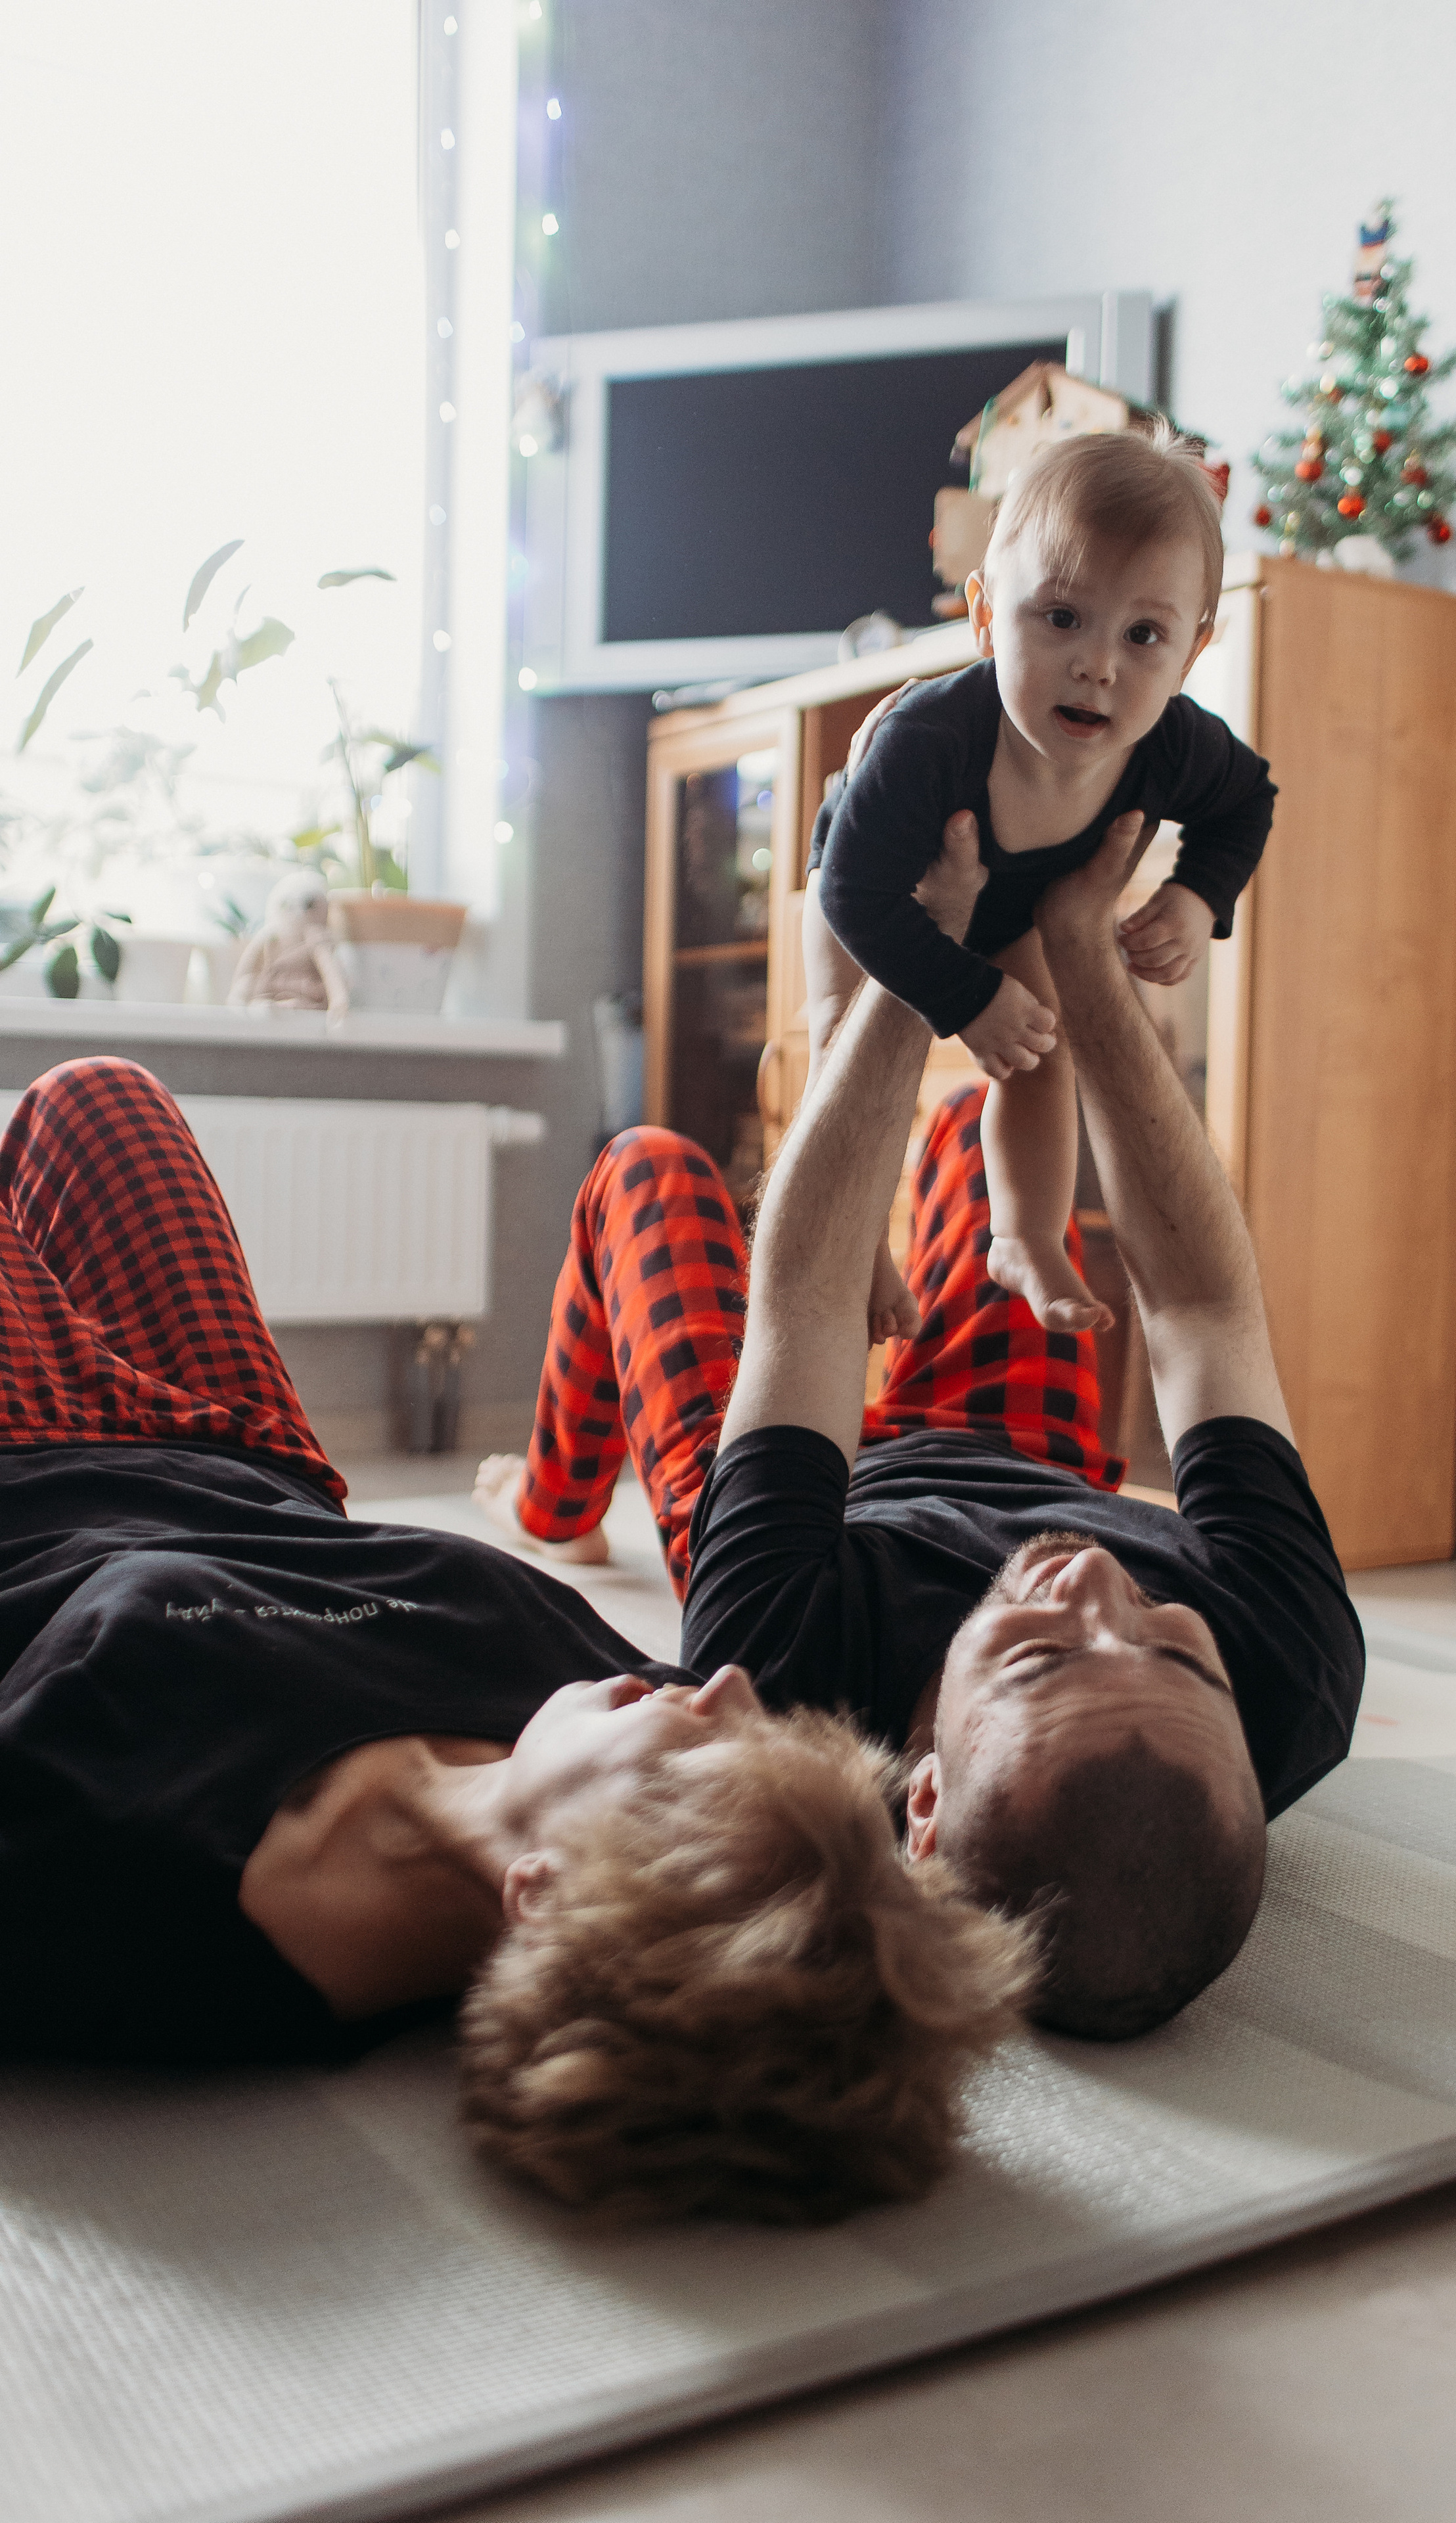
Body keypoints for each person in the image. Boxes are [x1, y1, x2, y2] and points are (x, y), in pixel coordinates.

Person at [0, 1056, 1034, 2225]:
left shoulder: (101, 1888)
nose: (727, 1684)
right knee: (98, 1101)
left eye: (711, 1752)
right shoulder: (599, 1718)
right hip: (248, 1458)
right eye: (771, 1727)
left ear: (545, 1898)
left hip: (23, 1469)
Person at [489, 802, 1364, 2039]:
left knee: (650, 1171)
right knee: (982, 1126)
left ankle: (547, 1497)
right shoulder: (1296, 1658)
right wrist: (1082, 953)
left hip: (833, 1500)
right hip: (1018, 1450)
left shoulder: (788, 1664)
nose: (1100, 1584)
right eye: (1176, 1649)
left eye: (1037, 1653)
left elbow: (799, 1302)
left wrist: (920, 951)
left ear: (925, 1799)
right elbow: (1206, 1310)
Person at [803, 425, 1275, 1344]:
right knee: (845, 1043)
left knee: (1040, 1046)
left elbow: (1247, 803)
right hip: (877, 891)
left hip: (1018, 900)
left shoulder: (1178, 742)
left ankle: (1022, 1234)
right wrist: (965, 993)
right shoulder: (928, 742)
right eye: (1060, 618)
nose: (1098, 664)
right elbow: (854, 896)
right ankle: (855, 1243)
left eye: (1144, 635)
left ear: (1192, 651)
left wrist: (1194, 896)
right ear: (985, 614)